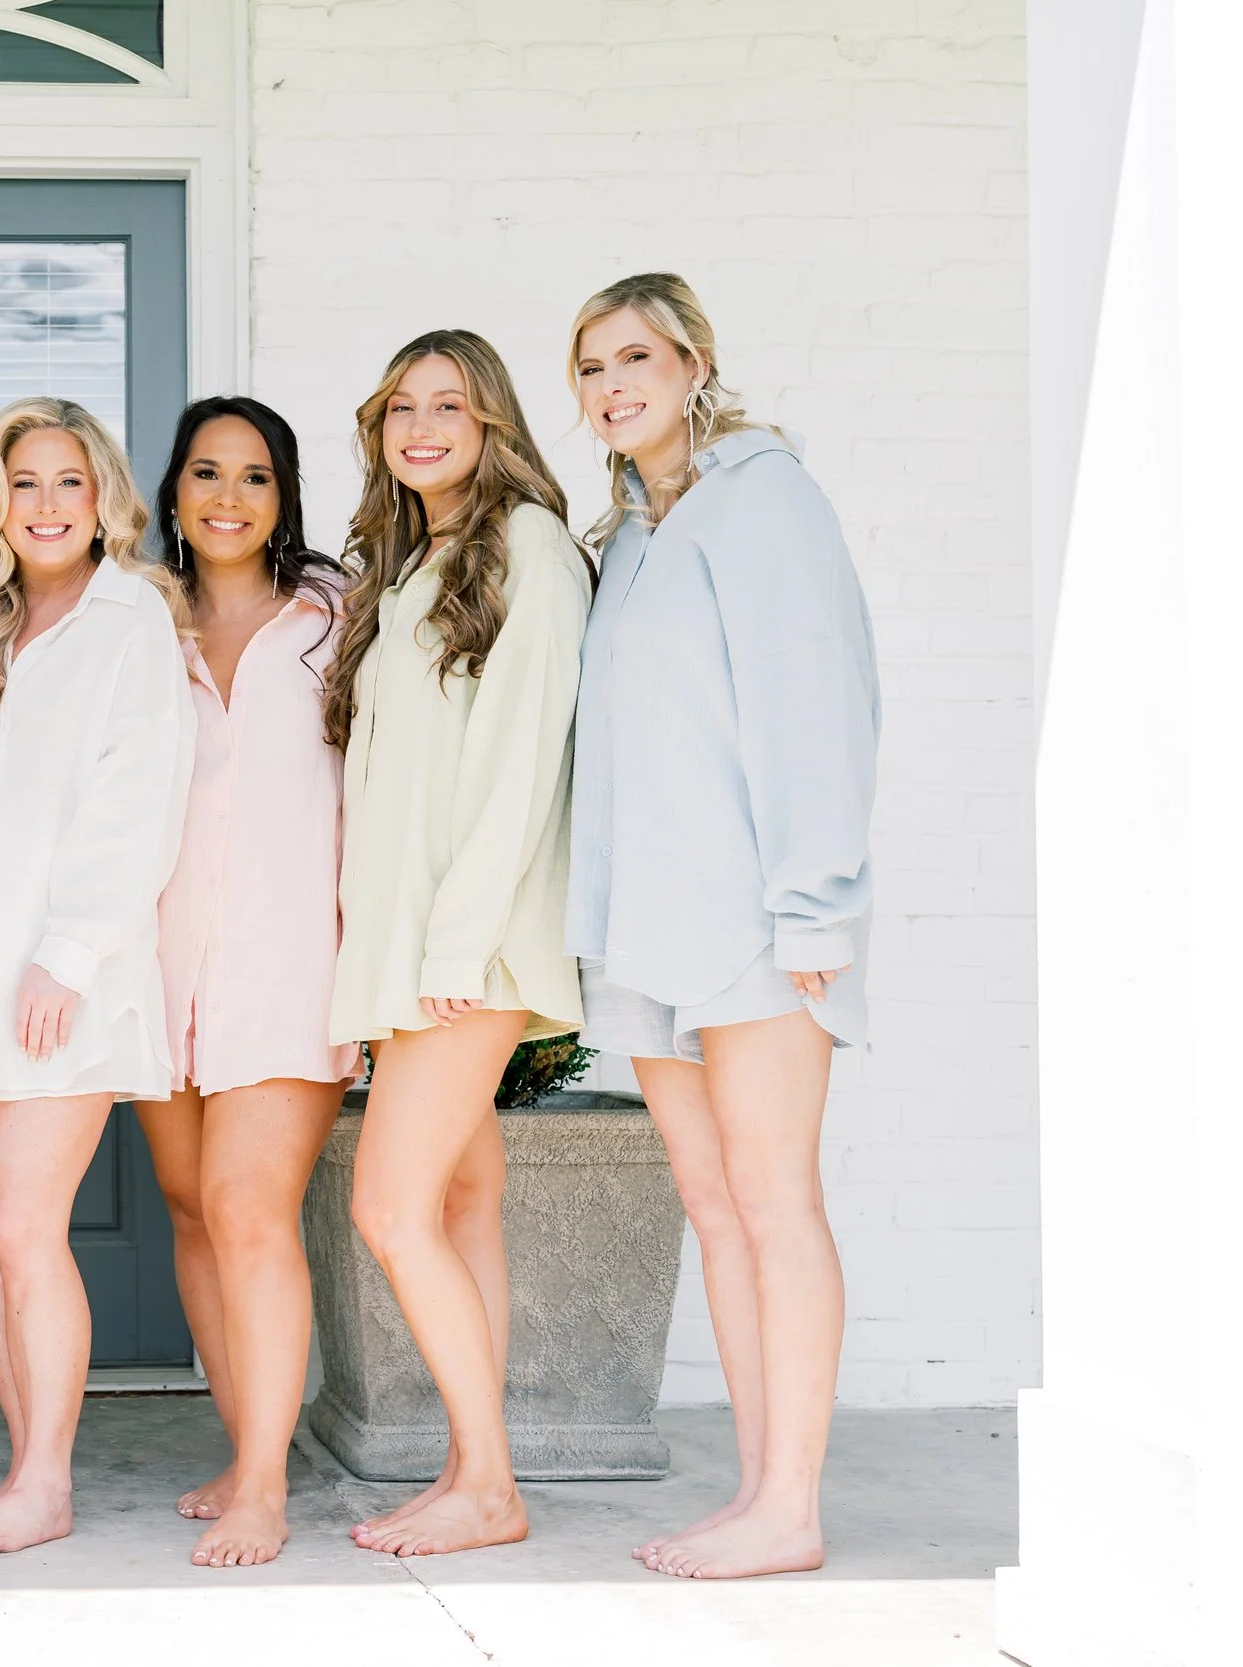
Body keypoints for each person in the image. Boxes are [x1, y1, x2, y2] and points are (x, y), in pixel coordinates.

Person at [566, 272, 878, 1580]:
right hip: (649, 928)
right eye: (587, 368)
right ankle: (761, 1490)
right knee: (711, 1198)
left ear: (695, 362)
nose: (610, 385)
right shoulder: (631, 530)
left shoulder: (768, 504)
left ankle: (790, 1504)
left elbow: (822, 703)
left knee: (773, 1196)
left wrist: (817, 901)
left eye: (633, 356)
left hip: (760, 920)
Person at [0, 398, 194, 1555]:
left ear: (102, 495)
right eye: (25, 484)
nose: (48, 505)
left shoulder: (129, 624)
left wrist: (67, 952)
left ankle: (46, 1479)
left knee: (25, 1222)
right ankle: (26, 1460)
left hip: (62, 972)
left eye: (69, 482)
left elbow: (135, 801)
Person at [325, 330, 592, 1558]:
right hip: (410, 949)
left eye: (450, 404)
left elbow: (521, 762)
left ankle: (488, 1485)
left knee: (388, 1203)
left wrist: (450, 947)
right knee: (464, 1197)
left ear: (493, 423)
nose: (421, 425)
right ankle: (470, 1464)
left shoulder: (528, 544)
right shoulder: (412, 558)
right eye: (401, 407)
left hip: (463, 952)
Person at [132, 396, 356, 1568]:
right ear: (173, 491)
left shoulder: (334, 620)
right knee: (189, 1210)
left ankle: (266, 1485)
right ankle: (241, 1442)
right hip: (156, 967)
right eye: (206, 473)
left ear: (284, 496)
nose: (228, 496)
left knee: (249, 1209)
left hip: (289, 963)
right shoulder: (135, 623)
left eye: (254, 476)